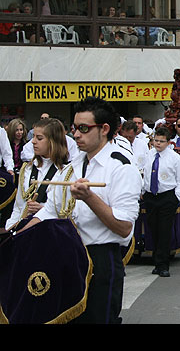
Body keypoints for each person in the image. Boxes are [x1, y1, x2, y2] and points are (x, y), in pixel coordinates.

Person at [24, 97, 142, 324]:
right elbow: (49, 211)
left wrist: (89, 198)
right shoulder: (72, 166)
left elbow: (124, 228)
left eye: (84, 129)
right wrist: (17, 236)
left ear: (104, 129)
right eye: (74, 128)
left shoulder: (121, 168)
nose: (76, 135)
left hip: (100, 258)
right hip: (68, 256)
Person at [5, 118, 68, 230]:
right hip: (23, 232)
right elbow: (18, 206)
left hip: (50, 232)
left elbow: (68, 211)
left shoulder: (66, 172)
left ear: (53, 141)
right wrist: (11, 228)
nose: (33, 141)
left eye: (39, 138)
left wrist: (43, 209)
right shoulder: (27, 169)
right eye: (33, 136)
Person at [141, 126, 180, 277]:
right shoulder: (149, 155)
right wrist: (142, 191)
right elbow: (145, 174)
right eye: (156, 140)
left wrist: (176, 198)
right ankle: (156, 261)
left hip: (167, 196)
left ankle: (163, 264)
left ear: (168, 142)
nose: (158, 144)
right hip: (150, 196)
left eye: (162, 141)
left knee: (164, 231)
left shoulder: (174, 158)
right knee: (153, 229)